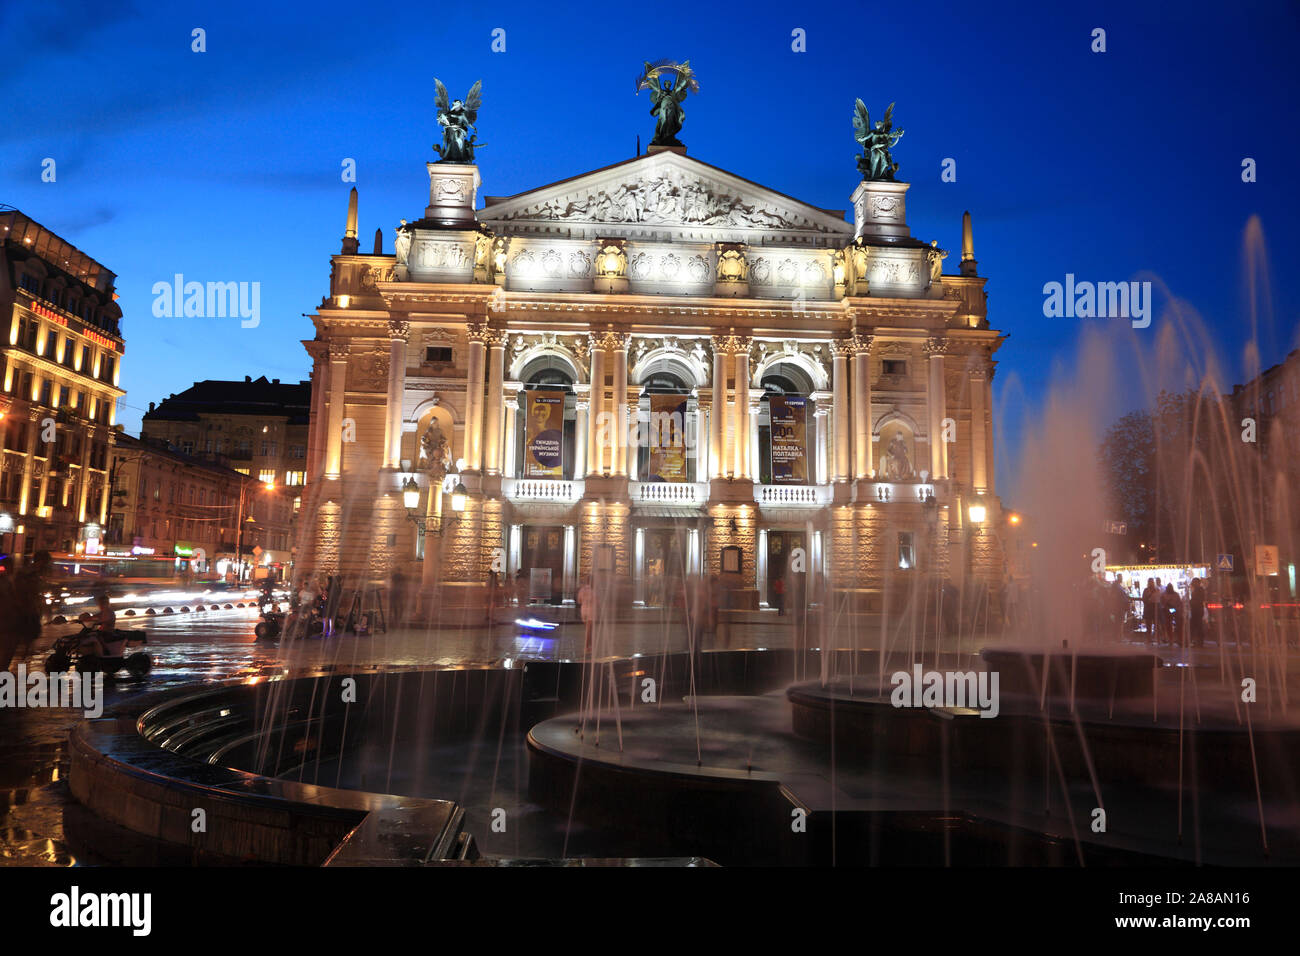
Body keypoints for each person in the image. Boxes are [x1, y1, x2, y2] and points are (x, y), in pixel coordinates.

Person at [576, 575, 596, 657]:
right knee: (589, 629)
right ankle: (587, 646)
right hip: (590, 610)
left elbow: (579, 601)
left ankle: (590, 646)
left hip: (583, 610)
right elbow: (595, 601)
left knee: (589, 629)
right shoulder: (592, 591)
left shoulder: (582, 590)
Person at [1189, 577, 1207, 648]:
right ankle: (1196, 641)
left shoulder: (1200, 590)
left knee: (1198, 626)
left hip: (1198, 610)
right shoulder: (1196, 590)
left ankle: (1199, 642)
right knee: (1195, 626)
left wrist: (1192, 602)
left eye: (1194, 582)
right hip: (1195, 610)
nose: (1193, 584)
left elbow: (1199, 599)